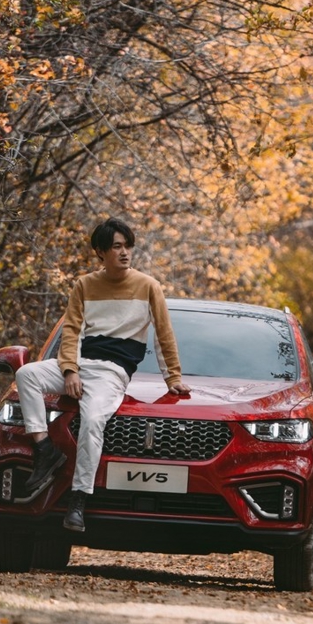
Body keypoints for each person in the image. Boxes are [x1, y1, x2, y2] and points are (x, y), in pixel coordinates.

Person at [15, 218, 191, 532]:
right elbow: (71, 331)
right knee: (27, 374)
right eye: (117, 247)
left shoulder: (148, 286)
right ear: (101, 252)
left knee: (93, 419)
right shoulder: (85, 285)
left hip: (112, 371)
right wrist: (70, 370)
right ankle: (44, 449)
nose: (125, 253)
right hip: (80, 364)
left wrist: (173, 378)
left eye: (128, 246)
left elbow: (164, 334)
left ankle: (78, 500)